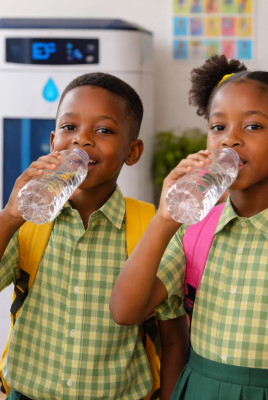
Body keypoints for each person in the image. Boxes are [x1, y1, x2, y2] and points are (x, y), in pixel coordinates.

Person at [0, 72, 189, 400]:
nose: (82, 139)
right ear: (53, 142)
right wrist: (9, 216)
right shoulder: (28, 221)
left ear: (132, 152)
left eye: (104, 130)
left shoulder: (153, 227)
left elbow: (175, 339)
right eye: (69, 127)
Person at [110, 54, 268, 399]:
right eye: (218, 127)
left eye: (253, 126)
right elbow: (125, 310)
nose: (230, 140)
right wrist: (165, 219)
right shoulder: (193, 229)